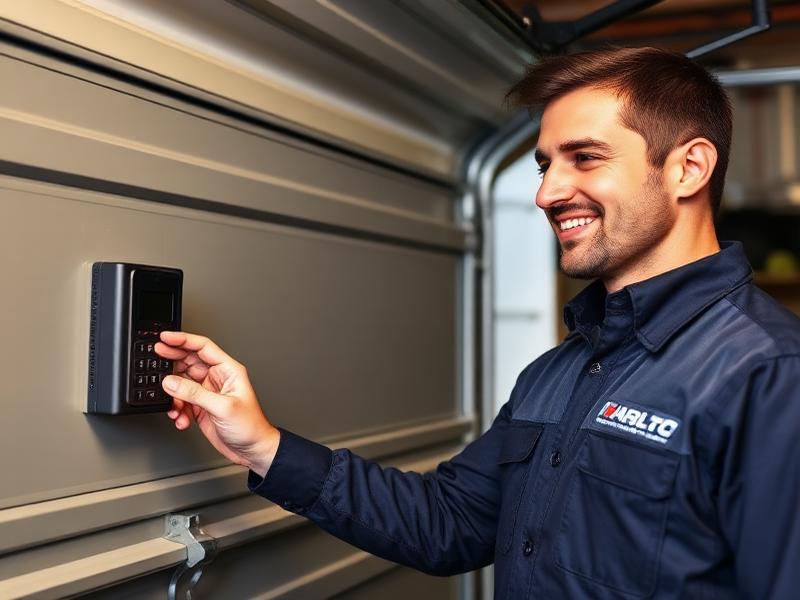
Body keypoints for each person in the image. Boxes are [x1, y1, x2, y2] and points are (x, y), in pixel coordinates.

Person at [155, 46, 800, 598]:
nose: (547, 193)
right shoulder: (560, 370)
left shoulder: (768, 375)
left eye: (586, 157)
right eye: (546, 164)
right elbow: (448, 523)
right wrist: (262, 444)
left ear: (689, 168)